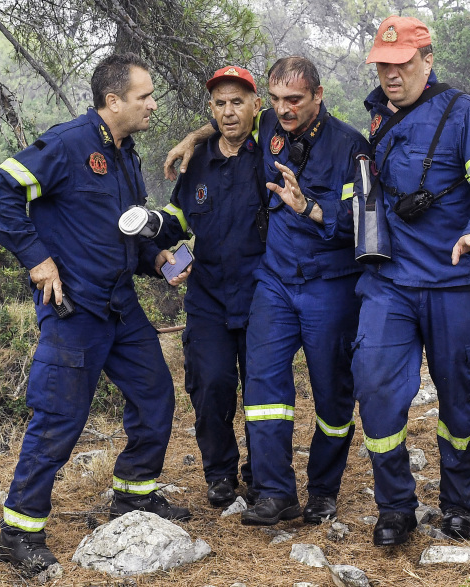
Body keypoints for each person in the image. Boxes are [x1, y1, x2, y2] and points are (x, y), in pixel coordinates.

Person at [0, 53, 189, 575]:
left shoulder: (125, 153)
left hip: (120, 305)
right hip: (74, 309)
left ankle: (134, 496)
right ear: (112, 100)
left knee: (155, 394)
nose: (152, 105)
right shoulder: (69, 143)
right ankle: (19, 531)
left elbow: (124, 229)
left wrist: (157, 257)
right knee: (59, 418)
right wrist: (38, 260)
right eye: (143, 96)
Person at [165, 56, 369, 526]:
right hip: (274, 283)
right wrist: (195, 138)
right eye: (276, 101)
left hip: (329, 285)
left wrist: (310, 208)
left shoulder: (350, 146)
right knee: (264, 389)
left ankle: (322, 489)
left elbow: (365, 226)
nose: (284, 109)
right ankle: (275, 491)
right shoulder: (268, 128)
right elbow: (228, 122)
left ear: (318, 95)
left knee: (333, 396)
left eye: (294, 99)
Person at [354, 16, 470, 546]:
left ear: (427, 59)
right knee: (376, 386)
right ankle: (396, 506)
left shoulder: (463, 113)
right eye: (383, 64)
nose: (391, 74)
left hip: (452, 282)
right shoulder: (374, 119)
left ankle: (459, 503)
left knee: (459, 395)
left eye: (401, 64)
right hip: (389, 282)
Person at [152, 65, 265, 509]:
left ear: (257, 105)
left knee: (261, 389)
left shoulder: (273, 149)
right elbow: (178, 221)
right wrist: (157, 255)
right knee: (211, 383)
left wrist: (193, 133)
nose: (228, 111)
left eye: (238, 101)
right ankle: (219, 474)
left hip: (262, 296)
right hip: (209, 298)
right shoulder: (197, 161)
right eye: (219, 104)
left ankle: (261, 472)